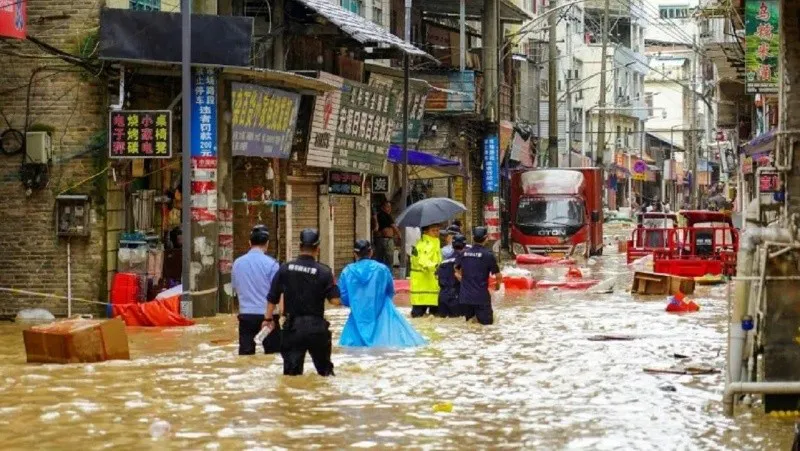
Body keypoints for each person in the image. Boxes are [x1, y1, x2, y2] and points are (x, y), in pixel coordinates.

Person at [266, 229, 341, 376]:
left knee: (291, 376)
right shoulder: (324, 271)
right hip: (316, 328)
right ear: (318, 249)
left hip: (293, 329)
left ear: (300, 247)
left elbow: (272, 298)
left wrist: (267, 319)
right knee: (325, 374)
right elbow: (335, 300)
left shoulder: (285, 269)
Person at [338, 240, 426, 347]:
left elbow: (344, 298)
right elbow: (390, 291)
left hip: (357, 318)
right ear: (371, 252)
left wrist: (358, 304)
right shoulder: (382, 269)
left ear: (355, 254)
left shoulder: (347, 271)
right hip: (382, 316)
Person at [231, 225, 281, 355]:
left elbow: (236, 288)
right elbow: (278, 293)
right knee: (273, 356)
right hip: (268, 317)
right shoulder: (272, 264)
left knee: (246, 358)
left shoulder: (237, 263)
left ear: (249, 242)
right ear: (267, 243)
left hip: (246, 317)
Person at [456, 226, 503, 325]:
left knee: (469, 325)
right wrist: (497, 286)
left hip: (465, 298)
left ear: (473, 238)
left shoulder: (464, 253)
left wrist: (462, 279)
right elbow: (498, 276)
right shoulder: (488, 255)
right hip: (481, 298)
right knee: (487, 327)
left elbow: (456, 269)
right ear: (486, 238)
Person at [409, 223, 442, 317]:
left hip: (428, 287)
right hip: (424, 287)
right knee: (425, 316)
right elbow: (423, 261)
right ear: (425, 231)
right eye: (433, 230)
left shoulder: (432, 242)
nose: (436, 233)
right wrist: (436, 267)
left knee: (426, 318)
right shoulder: (427, 244)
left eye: (438, 230)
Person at [436, 234, 467, 318]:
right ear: (464, 245)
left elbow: (438, 278)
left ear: (452, 245)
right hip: (456, 297)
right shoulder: (465, 261)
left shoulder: (443, 262)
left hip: (442, 297)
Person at [374, 201, 401, 269]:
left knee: (380, 259)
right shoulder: (386, 215)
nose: (389, 209)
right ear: (382, 207)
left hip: (379, 240)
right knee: (389, 260)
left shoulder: (377, 215)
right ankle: (389, 274)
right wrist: (399, 235)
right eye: (387, 207)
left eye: (390, 207)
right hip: (387, 240)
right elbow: (394, 226)